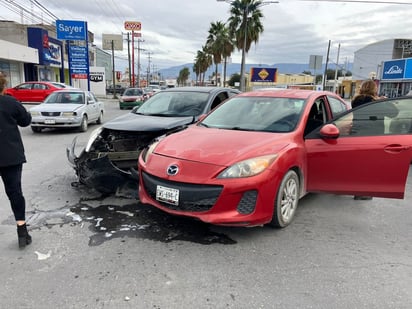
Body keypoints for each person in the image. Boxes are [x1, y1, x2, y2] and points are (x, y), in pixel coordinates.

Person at [0, 73, 33, 248]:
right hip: (10, 156)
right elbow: (26, 121)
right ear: (4, 87)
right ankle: (22, 231)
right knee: (14, 193)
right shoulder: (10, 103)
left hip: (10, 156)